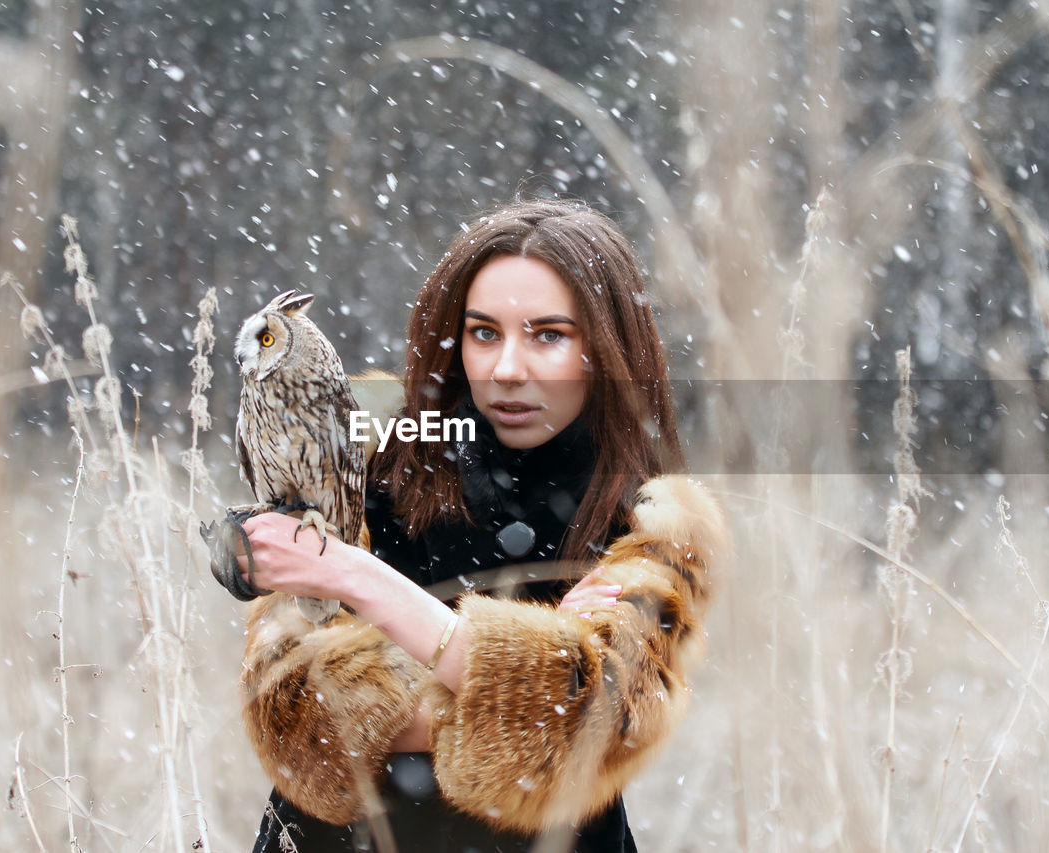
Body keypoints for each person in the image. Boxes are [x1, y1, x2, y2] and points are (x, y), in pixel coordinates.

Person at [232, 198, 728, 852]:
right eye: (484, 332)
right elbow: (298, 714)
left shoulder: (659, 521)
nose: (507, 367)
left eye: (548, 334)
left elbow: (576, 732)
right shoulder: (379, 455)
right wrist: (511, 681)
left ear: (604, 347)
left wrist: (349, 575)